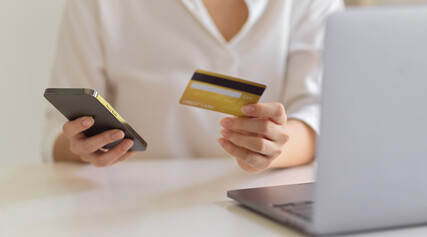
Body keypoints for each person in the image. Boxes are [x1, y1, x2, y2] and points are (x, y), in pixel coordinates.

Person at [43, 0, 344, 173]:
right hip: (135, 207)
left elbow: (320, 116)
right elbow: (57, 135)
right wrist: (82, 148)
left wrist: (275, 146)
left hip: (264, 199)